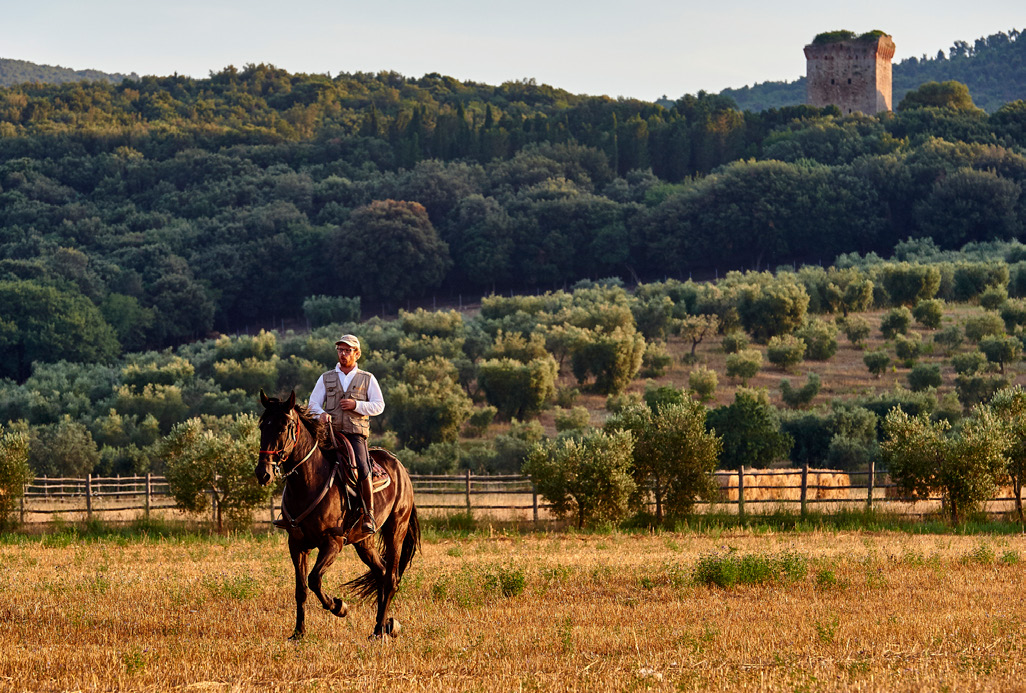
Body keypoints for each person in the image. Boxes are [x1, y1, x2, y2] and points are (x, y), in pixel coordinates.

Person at [308, 334, 385, 535]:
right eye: (340, 350)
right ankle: (293, 513)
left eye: (348, 350)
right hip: (328, 433)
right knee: (305, 461)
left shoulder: (367, 378)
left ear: (357, 354)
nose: (343, 354)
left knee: (362, 466)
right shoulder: (325, 378)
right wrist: (321, 414)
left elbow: (379, 405)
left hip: (354, 434)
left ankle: (368, 514)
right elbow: (312, 404)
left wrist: (356, 405)